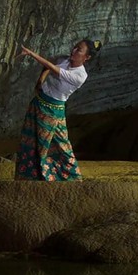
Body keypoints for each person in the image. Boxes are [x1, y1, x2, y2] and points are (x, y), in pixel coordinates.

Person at [14, 38, 101, 181]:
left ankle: (72, 179)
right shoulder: (64, 59)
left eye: (79, 50)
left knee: (59, 146)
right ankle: (27, 178)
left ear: (87, 57)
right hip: (38, 104)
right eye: (75, 47)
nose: (73, 51)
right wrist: (40, 81)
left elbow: (51, 66)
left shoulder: (80, 76)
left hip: (53, 111)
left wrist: (30, 53)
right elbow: (49, 65)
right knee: (30, 140)